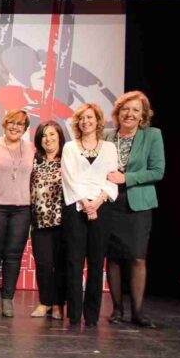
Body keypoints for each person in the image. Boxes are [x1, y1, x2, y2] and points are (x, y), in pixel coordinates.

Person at [104, 91, 165, 328]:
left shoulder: (152, 136)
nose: (129, 114)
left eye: (135, 110)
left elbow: (157, 171)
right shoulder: (107, 136)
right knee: (114, 258)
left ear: (143, 115)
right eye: (125, 109)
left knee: (137, 257)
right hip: (110, 203)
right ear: (118, 113)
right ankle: (117, 310)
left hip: (138, 203)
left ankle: (138, 312)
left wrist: (126, 177)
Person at [61, 103, 118, 327]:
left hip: (102, 208)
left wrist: (97, 202)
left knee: (96, 263)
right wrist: (86, 203)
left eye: (90, 118)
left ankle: (92, 316)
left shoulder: (109, 148)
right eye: (82, 118)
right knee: (74, 262)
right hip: (77, 207)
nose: (86, 121)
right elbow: (69, 178)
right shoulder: (69, 147)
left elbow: (112, 178)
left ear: (97, 121)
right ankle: (74, 314)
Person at [0, 110, 34, 317]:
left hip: (22, 208)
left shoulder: (31, 148)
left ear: (25, 128)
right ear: (4, 124)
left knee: (14, 255)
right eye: (11, 123)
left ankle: (8, 298)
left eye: (20, 124)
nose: (15, 127)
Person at [30, 121, 67, 320]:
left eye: (52, 134)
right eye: (44, 135)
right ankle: (45, 302)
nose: (48, 139)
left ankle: (58, 304)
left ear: (60, 137)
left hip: (63, 222)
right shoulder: (34, 160)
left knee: (60, 265)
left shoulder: (67, 160)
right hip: (39, 222)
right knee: (43, 264)